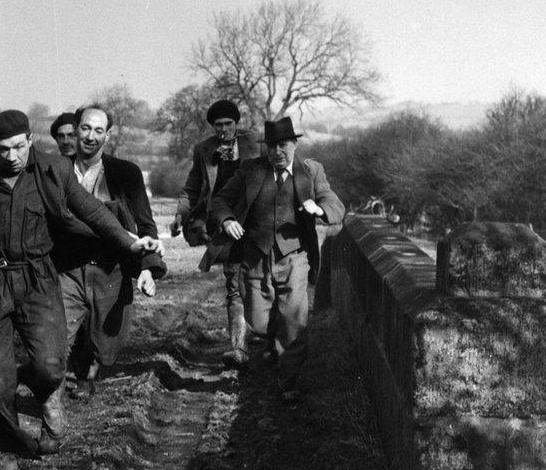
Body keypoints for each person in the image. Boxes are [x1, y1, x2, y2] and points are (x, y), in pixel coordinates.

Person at [0, 109, 162, 470]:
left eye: (17, 147)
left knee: (51, 363)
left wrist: (128, 242)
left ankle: (44, 398)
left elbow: (91, 210)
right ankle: (8, 448)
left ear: (30, 140)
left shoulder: (53, 171)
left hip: (38, 279)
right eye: (2, 150)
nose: (11, 157)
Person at [209, 117, 344, 400]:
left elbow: (334, 203)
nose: (277, 152)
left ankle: (288, 382)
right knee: (257, 321)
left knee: (294, 320)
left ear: (294, 144)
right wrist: (227, 220)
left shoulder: (311, 170)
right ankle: (272, 341)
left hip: (294, 256)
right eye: (271, 146)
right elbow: (220, 201)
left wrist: (319, 209)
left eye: (283, 145)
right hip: (256, 255)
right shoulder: (250, 170)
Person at [50, 104, 166, 401]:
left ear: (108, 135)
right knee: (59, 331)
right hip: (68, 266)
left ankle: (89, 372)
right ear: (75, 130)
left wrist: (148, 268)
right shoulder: (56, 172)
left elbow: (144, 223)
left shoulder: (126, 173)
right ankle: (61, 387)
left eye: (99, 130)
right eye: (86, 128)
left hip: (111, 267)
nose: (91, 136)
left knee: (103, 338)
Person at [171, 100, 260, 366]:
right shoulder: (203, 150)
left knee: (261, 282)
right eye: (218, 125)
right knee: (234, 284)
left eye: (228, 124)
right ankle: (239, 348)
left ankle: (267, 338)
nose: (223, 129)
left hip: (256, 223)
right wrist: (180, 215)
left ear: (237, 124)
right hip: (224, 224)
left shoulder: (254, 145)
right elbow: (192, 187)